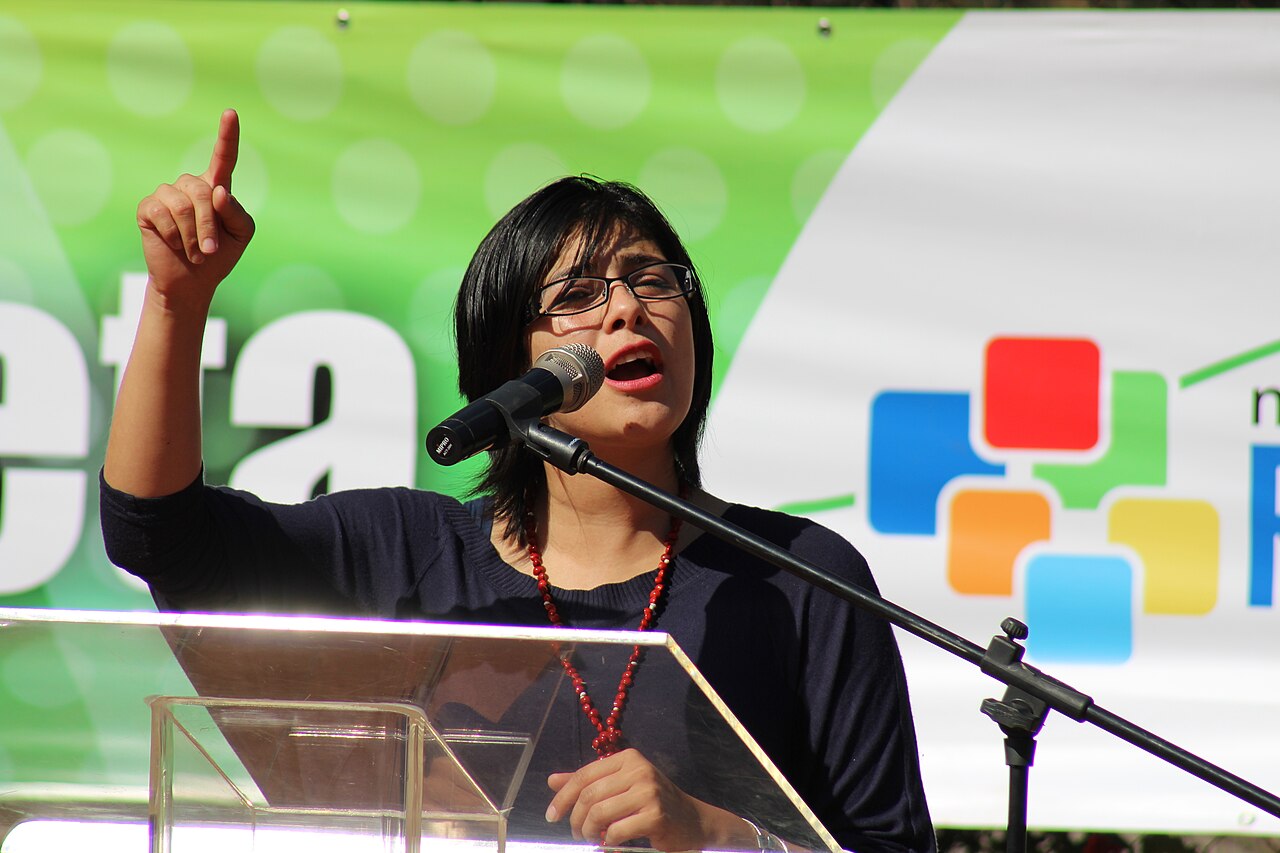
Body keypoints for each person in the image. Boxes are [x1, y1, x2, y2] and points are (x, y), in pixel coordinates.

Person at [101, 109, 936, 852]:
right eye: (578, 294)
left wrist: (720, 836)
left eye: (652, 280)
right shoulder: (407, 555)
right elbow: (158, 533)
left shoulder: (803, 578)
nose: (627, 310)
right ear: (510, 363)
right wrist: (176, 303)